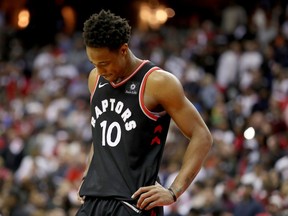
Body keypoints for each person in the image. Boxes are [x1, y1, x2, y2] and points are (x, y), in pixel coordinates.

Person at [76, 9, 213, 216]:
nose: (99, 70)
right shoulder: (95, 78)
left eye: (104, 63)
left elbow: (202, 135)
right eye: (94, 63)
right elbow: (101, 135)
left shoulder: (157, 82)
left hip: (133, 203)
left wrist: (173, 191)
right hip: (94, 200)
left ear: (123, 50)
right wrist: (89, 172)